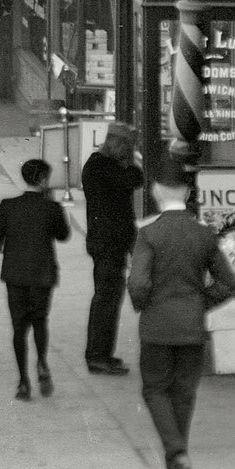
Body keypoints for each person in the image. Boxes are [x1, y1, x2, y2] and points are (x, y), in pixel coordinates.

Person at [125, 169, 235, 469]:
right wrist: (201, 303)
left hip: (157, 325)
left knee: (155, 389)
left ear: (156, 192)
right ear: (188, 195)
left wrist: (143, 304)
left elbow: (137, 283)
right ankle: (178, 456)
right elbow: (228, 283)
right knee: (184, 393)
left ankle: (175, 452)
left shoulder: (149, 234)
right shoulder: (204, 234)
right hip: (192, 324)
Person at [0, 155, 72, 398]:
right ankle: (42, 362)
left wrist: (5, 248)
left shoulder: (8, 206)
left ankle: (23, 380)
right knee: (40, 320)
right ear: (43, 180)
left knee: (18, 327)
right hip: (42, 274)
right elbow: (64, 235)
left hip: (15, 274)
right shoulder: (51, 208)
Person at [80, 125, 143, 376]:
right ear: (116, 145)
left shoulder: (110, 165)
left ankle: (103, 353)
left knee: (110, 299)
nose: (129, 153)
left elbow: (136, 177)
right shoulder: (98, 167)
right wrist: (128, 162)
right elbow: (132, 179)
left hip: (113, 242)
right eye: (127, 148)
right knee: (106, 299)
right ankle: (97, 355)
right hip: (107, 243)